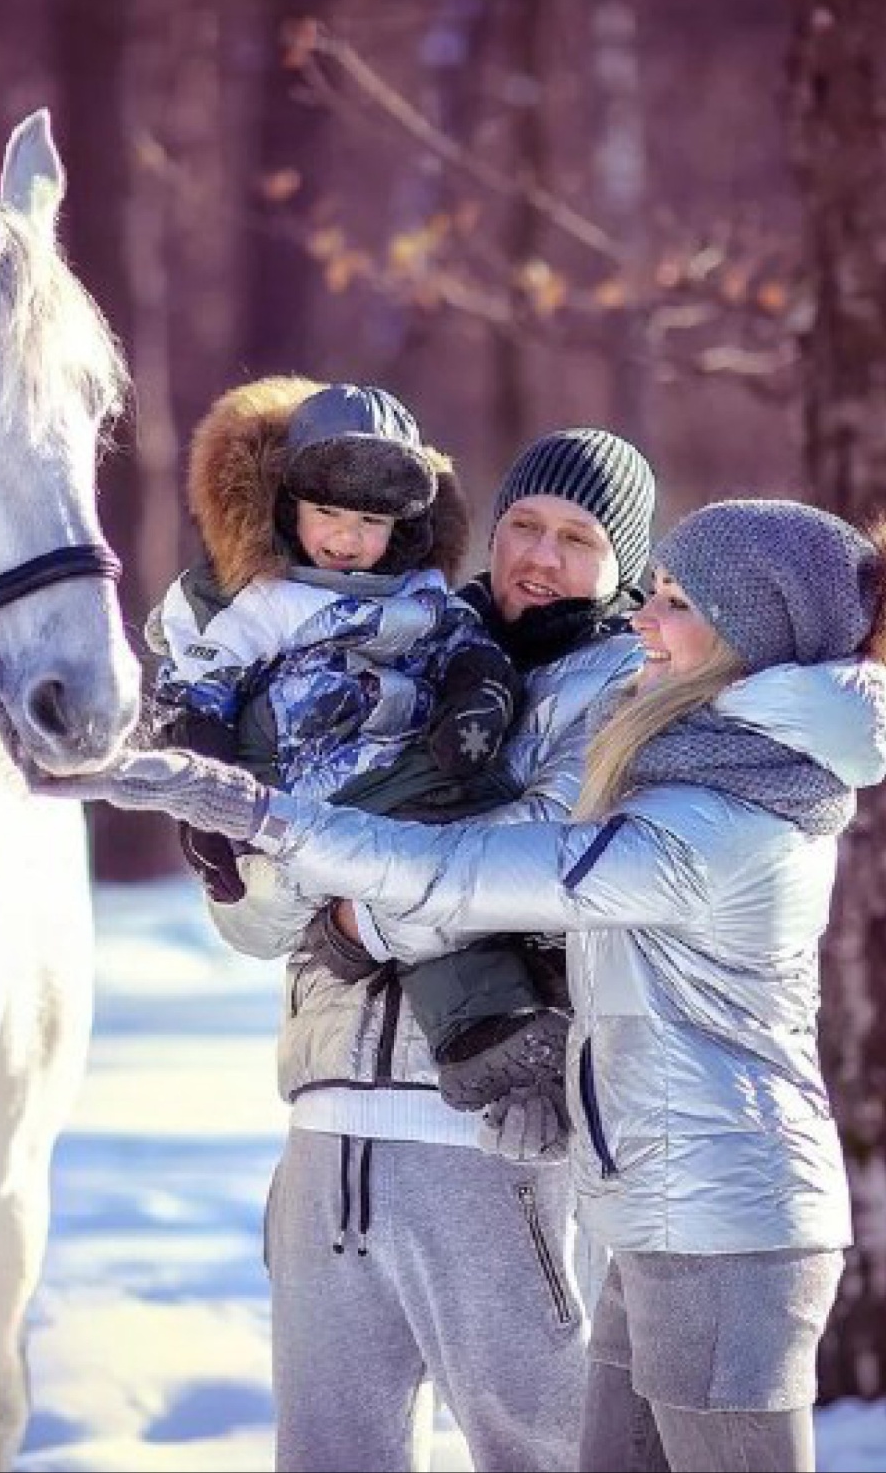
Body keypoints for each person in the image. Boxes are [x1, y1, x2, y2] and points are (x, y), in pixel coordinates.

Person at [47, 497, 886, 1473]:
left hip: (726, 1225)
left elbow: (470, 874)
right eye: (654, 594)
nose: (646, 618)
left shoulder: (714, 820)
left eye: (677, 603)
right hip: (660, 1206)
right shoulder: (690, 775)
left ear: (748, 636)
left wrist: (258, 810)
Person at [158, 423, 658, 1472]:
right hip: (326, 1134)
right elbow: (256, 924)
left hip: (489, 1144)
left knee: (549, 1451)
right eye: (525, 523)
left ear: (625, 561)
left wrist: (354, 914)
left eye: (578, 537)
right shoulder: (390, 635)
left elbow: (537, 856)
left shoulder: (626, 690)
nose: (540, 556)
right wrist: (248, 851)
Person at [150, 378, 601, 1112]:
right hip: (314, 783)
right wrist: (203, 793)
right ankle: (482, 1026)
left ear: (407, 525)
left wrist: (478, 697)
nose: (346, 538)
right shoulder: (254, 597)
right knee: (422, 877)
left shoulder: (421, 595)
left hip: (418, 773)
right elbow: (197, 687)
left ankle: (479, 1034)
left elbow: (463, 646)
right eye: (326, 512)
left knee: (438, 876)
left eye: (370, 520)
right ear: (286, 505)